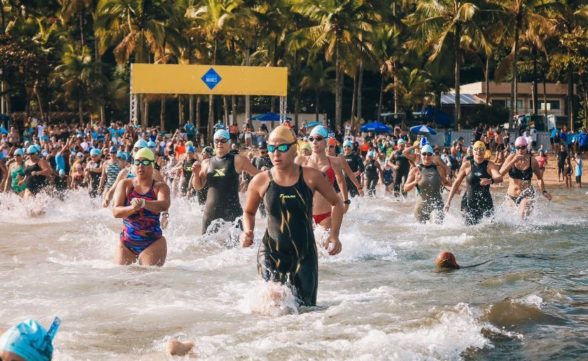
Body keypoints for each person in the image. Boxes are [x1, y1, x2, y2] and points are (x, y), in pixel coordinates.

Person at [241, 125, 344, 307]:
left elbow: (337, 203)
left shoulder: (311, 177)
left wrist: (334, 235)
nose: (275, 153)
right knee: (271, 307)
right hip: (271, 252)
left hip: (304, 254)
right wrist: (247, 231)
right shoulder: (261, 180)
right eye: (271, 148)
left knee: (305, 312)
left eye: (281, 148)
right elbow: (249, 212)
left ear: (294, 148)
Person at [191, 129, 259, 234]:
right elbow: (198, 187)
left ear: (229, 142)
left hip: (233, 214)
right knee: (206, 249)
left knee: (241, 248)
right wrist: (195, 173)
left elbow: (257, 174)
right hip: (210, 215)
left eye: (223, 140)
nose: (219, 143)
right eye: (216, 140)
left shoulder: (238, 160)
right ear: (213, 143)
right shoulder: (206, 163)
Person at [112, 148, 170, 266]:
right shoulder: (125, 185)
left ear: (152, 165)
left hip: (153, 243)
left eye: (145, 162)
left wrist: (144, 203)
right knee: (121, 279)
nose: (140, 166)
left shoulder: (160, 187)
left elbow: (164, 204)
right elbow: (116, 212)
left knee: (148, 279)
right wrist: (132, 208)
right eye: (137, 162)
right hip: (126, 243)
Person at [295, 126, 349, 229]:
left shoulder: (335, 162)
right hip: (305, 214)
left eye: (318, 138)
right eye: (311, 139)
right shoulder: (301, 161)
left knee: (324, 244)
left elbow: (341, 181)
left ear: (326, 142)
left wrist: (346, 201)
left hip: (326, 214)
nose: (314, 141)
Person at [444, 141, 503, 225]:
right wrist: (448, 202)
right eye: (476, 149)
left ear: (484, 151)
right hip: (468, 202)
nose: (478, 151)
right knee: (470, 231)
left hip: (485, 202)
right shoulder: (466, 165)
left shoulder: (490, 165)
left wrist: (490, 181)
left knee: (488, 230)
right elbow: (456, 183)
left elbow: (500, 178)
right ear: (473, 151)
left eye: (481, 149)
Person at [499, 136, 552, 219]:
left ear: (526, 147)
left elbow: (539, 178)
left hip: (526, 194)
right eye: (518, 148)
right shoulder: (511, 157)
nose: (520, 150)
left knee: (522, 215)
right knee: (510, 220)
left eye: (523, 147)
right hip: (511, 196)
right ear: (515, 148)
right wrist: (514, 161)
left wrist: (544, 191)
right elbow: (500, 174)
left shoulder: (532, 161)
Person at [404, 145, 452, 224]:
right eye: (424, 154)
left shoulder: (438, 169)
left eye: (429, 154)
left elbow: (446, 184)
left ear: (432, 156)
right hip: (421, 207)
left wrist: (454, 189)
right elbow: (405, 188)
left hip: (437, 204)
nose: (427, 156)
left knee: (436, 225)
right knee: (423, 234)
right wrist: (415, 182)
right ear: (421, 155)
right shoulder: (415, 170)